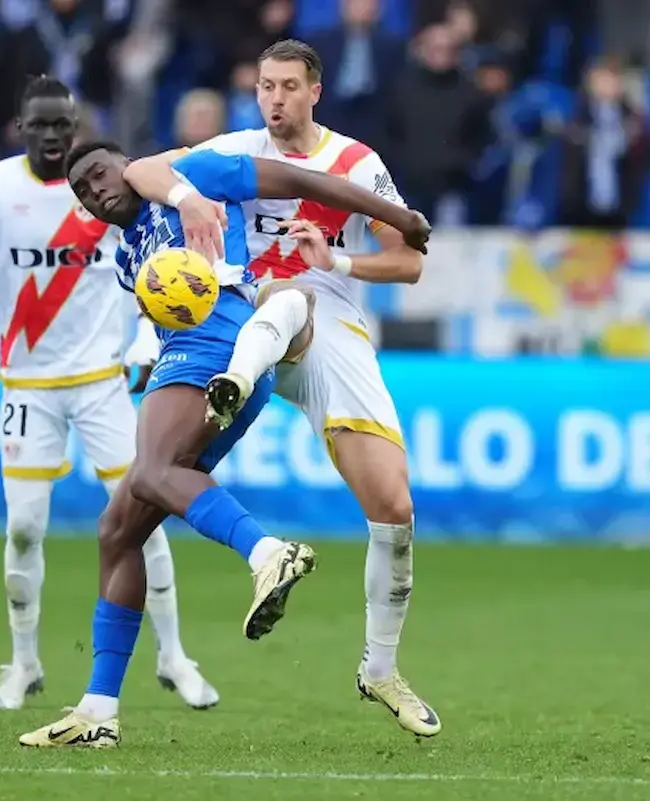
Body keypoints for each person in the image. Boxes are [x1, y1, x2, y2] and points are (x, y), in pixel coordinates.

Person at [17, 132, 429, 749]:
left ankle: (267, 554)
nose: (96, 191)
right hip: (187, 359)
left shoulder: (198, 172)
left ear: (130, 166)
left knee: (153, 474)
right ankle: (98, 711)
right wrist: (140, 352)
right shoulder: (128, 257)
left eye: (100, 174)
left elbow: (302, 182)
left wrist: (397, 216)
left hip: (223, 342)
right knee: (118, 530)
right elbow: (156, 317)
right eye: (82, 191)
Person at [115, 38, 442, 737]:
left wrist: (342, 257)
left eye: (289, 86)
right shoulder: (234, 150)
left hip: (326, 325)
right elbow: (138, 169)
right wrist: (185, 197)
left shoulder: (356, 164)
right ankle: (99, 695)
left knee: (394, 506)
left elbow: (409, 263)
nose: (276, 99)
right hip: (234, 319)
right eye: (266, 86)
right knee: (143, 493)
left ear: (315, 91)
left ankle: (379, 668)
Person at [0, 76, 218, 713]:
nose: (52, 137)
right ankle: (23, 663)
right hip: (26, 384)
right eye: (40, 126)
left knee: (144, 517)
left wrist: (143, 340)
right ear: (20, 127)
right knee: (25, 527)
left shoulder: (103, 189)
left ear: (75, 127)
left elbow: (153, 273)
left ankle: (174, 656)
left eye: (62, 126)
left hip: (101, 383)